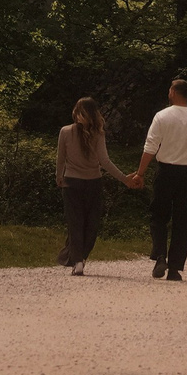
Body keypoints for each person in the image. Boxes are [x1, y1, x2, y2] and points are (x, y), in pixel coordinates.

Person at [127, 76, 187, 281]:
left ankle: (160, 257)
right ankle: (175, 268)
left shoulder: (162, 116)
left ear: (173, 92)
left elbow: (150, 146)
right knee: (184, 220)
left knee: (158, 215)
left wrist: (140, 173)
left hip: (166, 171)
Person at [54, 95, 121, 275]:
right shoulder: (99, 134)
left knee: (75, 222)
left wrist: (58, 176)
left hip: (71, 183)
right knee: (91, 223)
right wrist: (124, 179)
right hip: (93, 182)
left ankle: (77, 262)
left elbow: (61, 158)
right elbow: (105, 161)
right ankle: (81, 257)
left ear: (76, 112)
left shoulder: (65, 131)